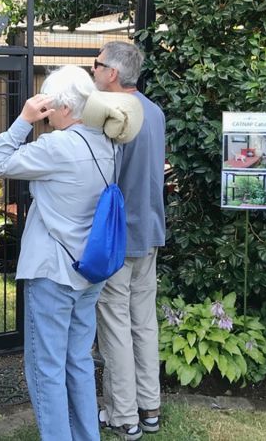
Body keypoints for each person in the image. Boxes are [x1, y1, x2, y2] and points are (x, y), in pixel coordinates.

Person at [0, 65, 113, 441]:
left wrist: (24, 120)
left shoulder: (56, 147)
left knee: (46, 368)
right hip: (88, 270)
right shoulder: (105, 143)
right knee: (77, 361)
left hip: (52, 272)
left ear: (60, 107)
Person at [92, 41, 166, 440]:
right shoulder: (154, 111)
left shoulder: (115, 114)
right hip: (149, 232)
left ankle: (123, 416)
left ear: (113, 74)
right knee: (143, 323)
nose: (93, 70)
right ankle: (149, 408)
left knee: (115, 325)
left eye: (97, 64)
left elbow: (104, 178)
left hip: (118, 237)